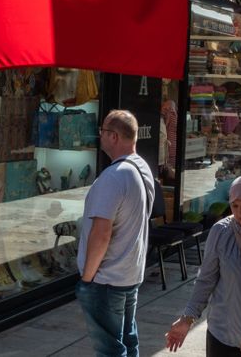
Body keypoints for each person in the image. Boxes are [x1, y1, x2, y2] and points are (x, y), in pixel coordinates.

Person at [76, 110, 155, 357]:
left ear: (113, 136)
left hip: (107, 280)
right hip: (128, 275)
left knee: (110, 349)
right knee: (127, 342)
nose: (99, 136)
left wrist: (87, 278)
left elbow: (102, 233)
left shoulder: (114, 176)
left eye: (102, 132)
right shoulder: (141, 167)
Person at [166, 176, 241, 357]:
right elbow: (206, 280)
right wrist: (187, 318)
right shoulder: (221, 232)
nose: (240, 212)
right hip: (224, 334)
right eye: (234, 206)